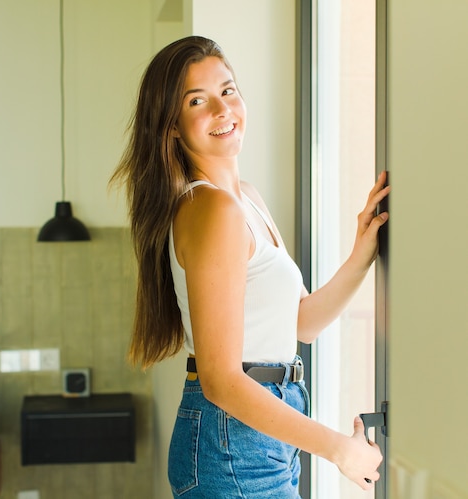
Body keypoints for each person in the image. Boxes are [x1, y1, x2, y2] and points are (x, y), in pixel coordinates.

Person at [111, 36, 388, 498]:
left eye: (229, 90)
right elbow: (221, 382)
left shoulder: (245, 199)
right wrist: (339, 449)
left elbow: (302, 323)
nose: (222, 109)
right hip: (232, 437)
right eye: (197, 100)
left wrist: (362, 253)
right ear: (173, 125)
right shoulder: (210, 209)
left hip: (259, 428)